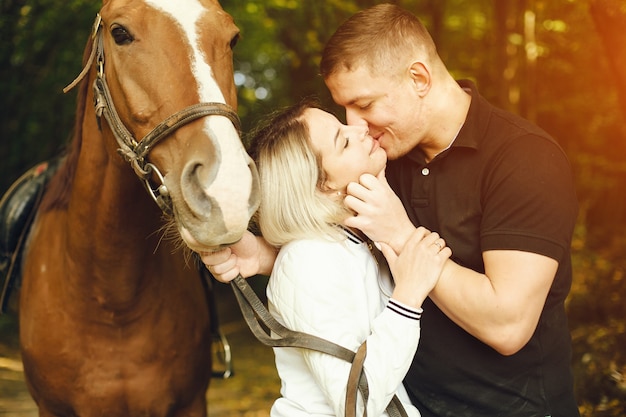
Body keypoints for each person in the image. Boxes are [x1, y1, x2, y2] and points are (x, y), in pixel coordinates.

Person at [202, 4, 580, 417]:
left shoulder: (524, 159)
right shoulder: (382, 158)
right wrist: (268, 255)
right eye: (344, 109)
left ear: (418, 78)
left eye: (363, 104)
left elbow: (507, 326)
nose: (356, 125)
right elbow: (350, 262)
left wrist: (400, 235)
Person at [231, 97, 451, 417]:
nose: (359, 129)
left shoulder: (354, 240)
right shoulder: (308, 261)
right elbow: (356, 405)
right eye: (343, 140)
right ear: (323, 185)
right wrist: (408, 296)